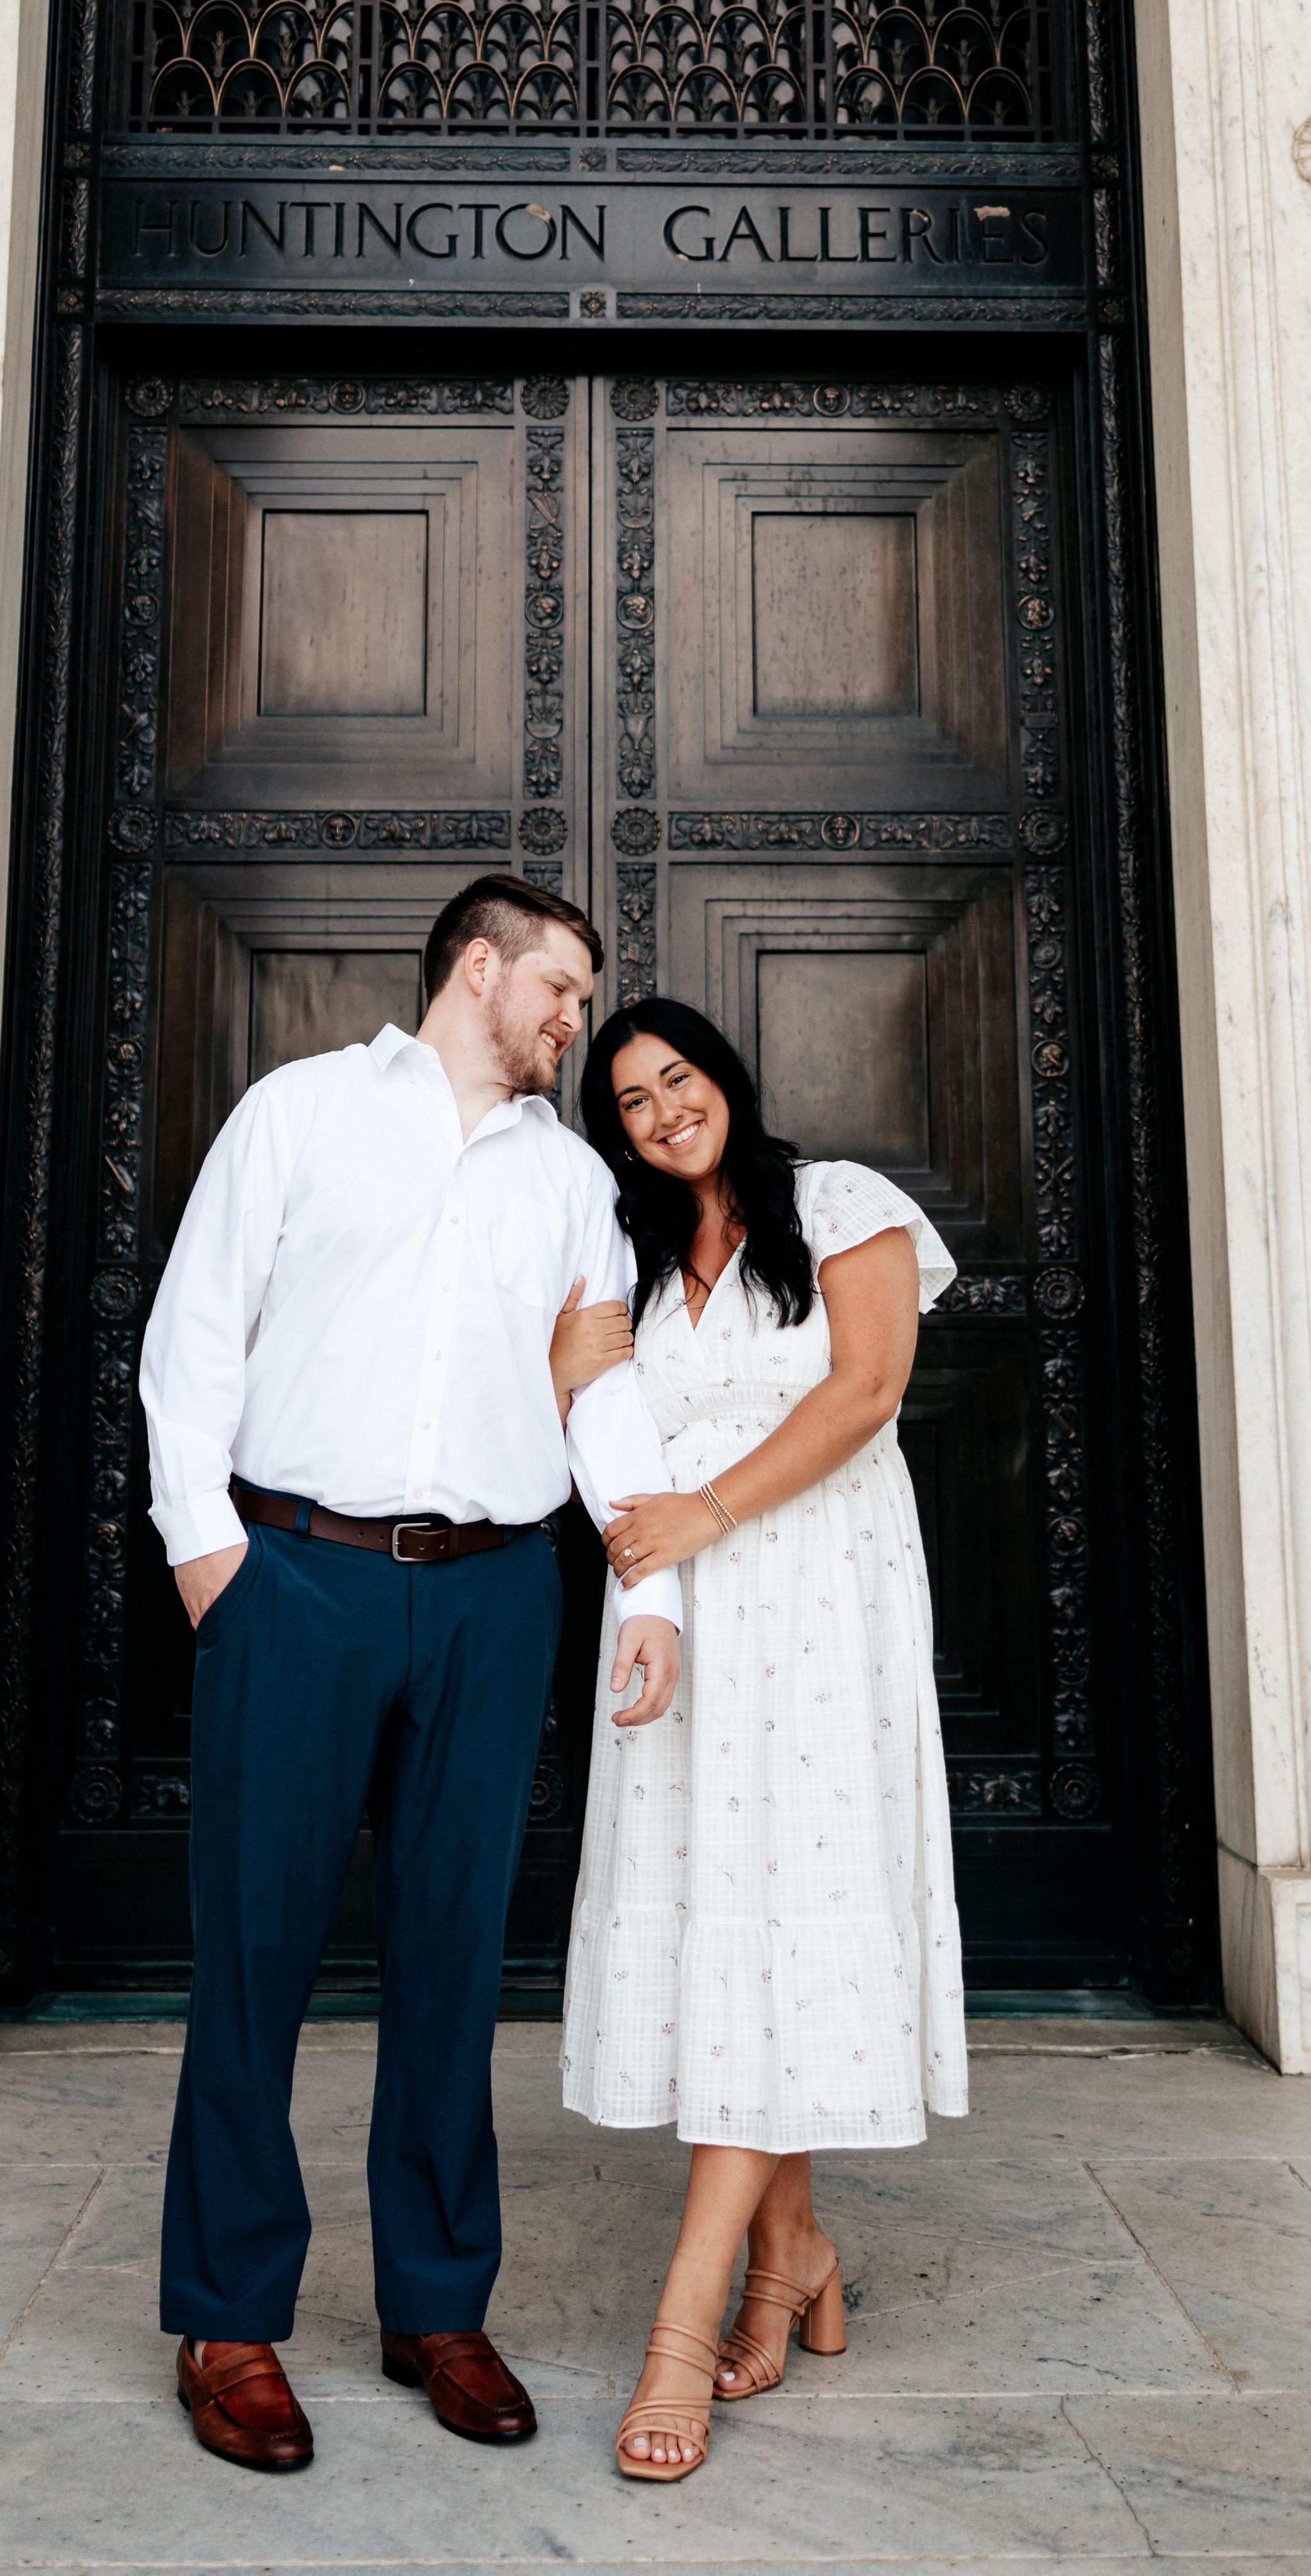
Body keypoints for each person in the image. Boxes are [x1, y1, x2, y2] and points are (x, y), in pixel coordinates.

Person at [135, 875, 687, 2473]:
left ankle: (436, 2304)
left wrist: (647, 1583)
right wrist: (211, 1562)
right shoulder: (298, 1113)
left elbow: (596, 1392)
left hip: (494, 1591)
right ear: (479, 966)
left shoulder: (569, 1179)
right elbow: (192, 1340)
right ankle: (227, 2317)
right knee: (255, 1952)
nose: (575, 1017)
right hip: (293, 1578)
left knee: (452, 1957)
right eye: (560, 985)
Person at [547, 996, 967, 2483]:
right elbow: (600, 1436)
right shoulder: (635, 1263)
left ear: (721, 1076)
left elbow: (866, 1389)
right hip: (682, 1621)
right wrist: (558, 1369)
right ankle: (792, 2253)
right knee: (731, 1927)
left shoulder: (838, 1202)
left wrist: (708, 1509)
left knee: (792, 1904)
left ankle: (684, 2323)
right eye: (631, 1099)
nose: (664, 1108)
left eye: (678, 1077)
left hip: (821, 1608)